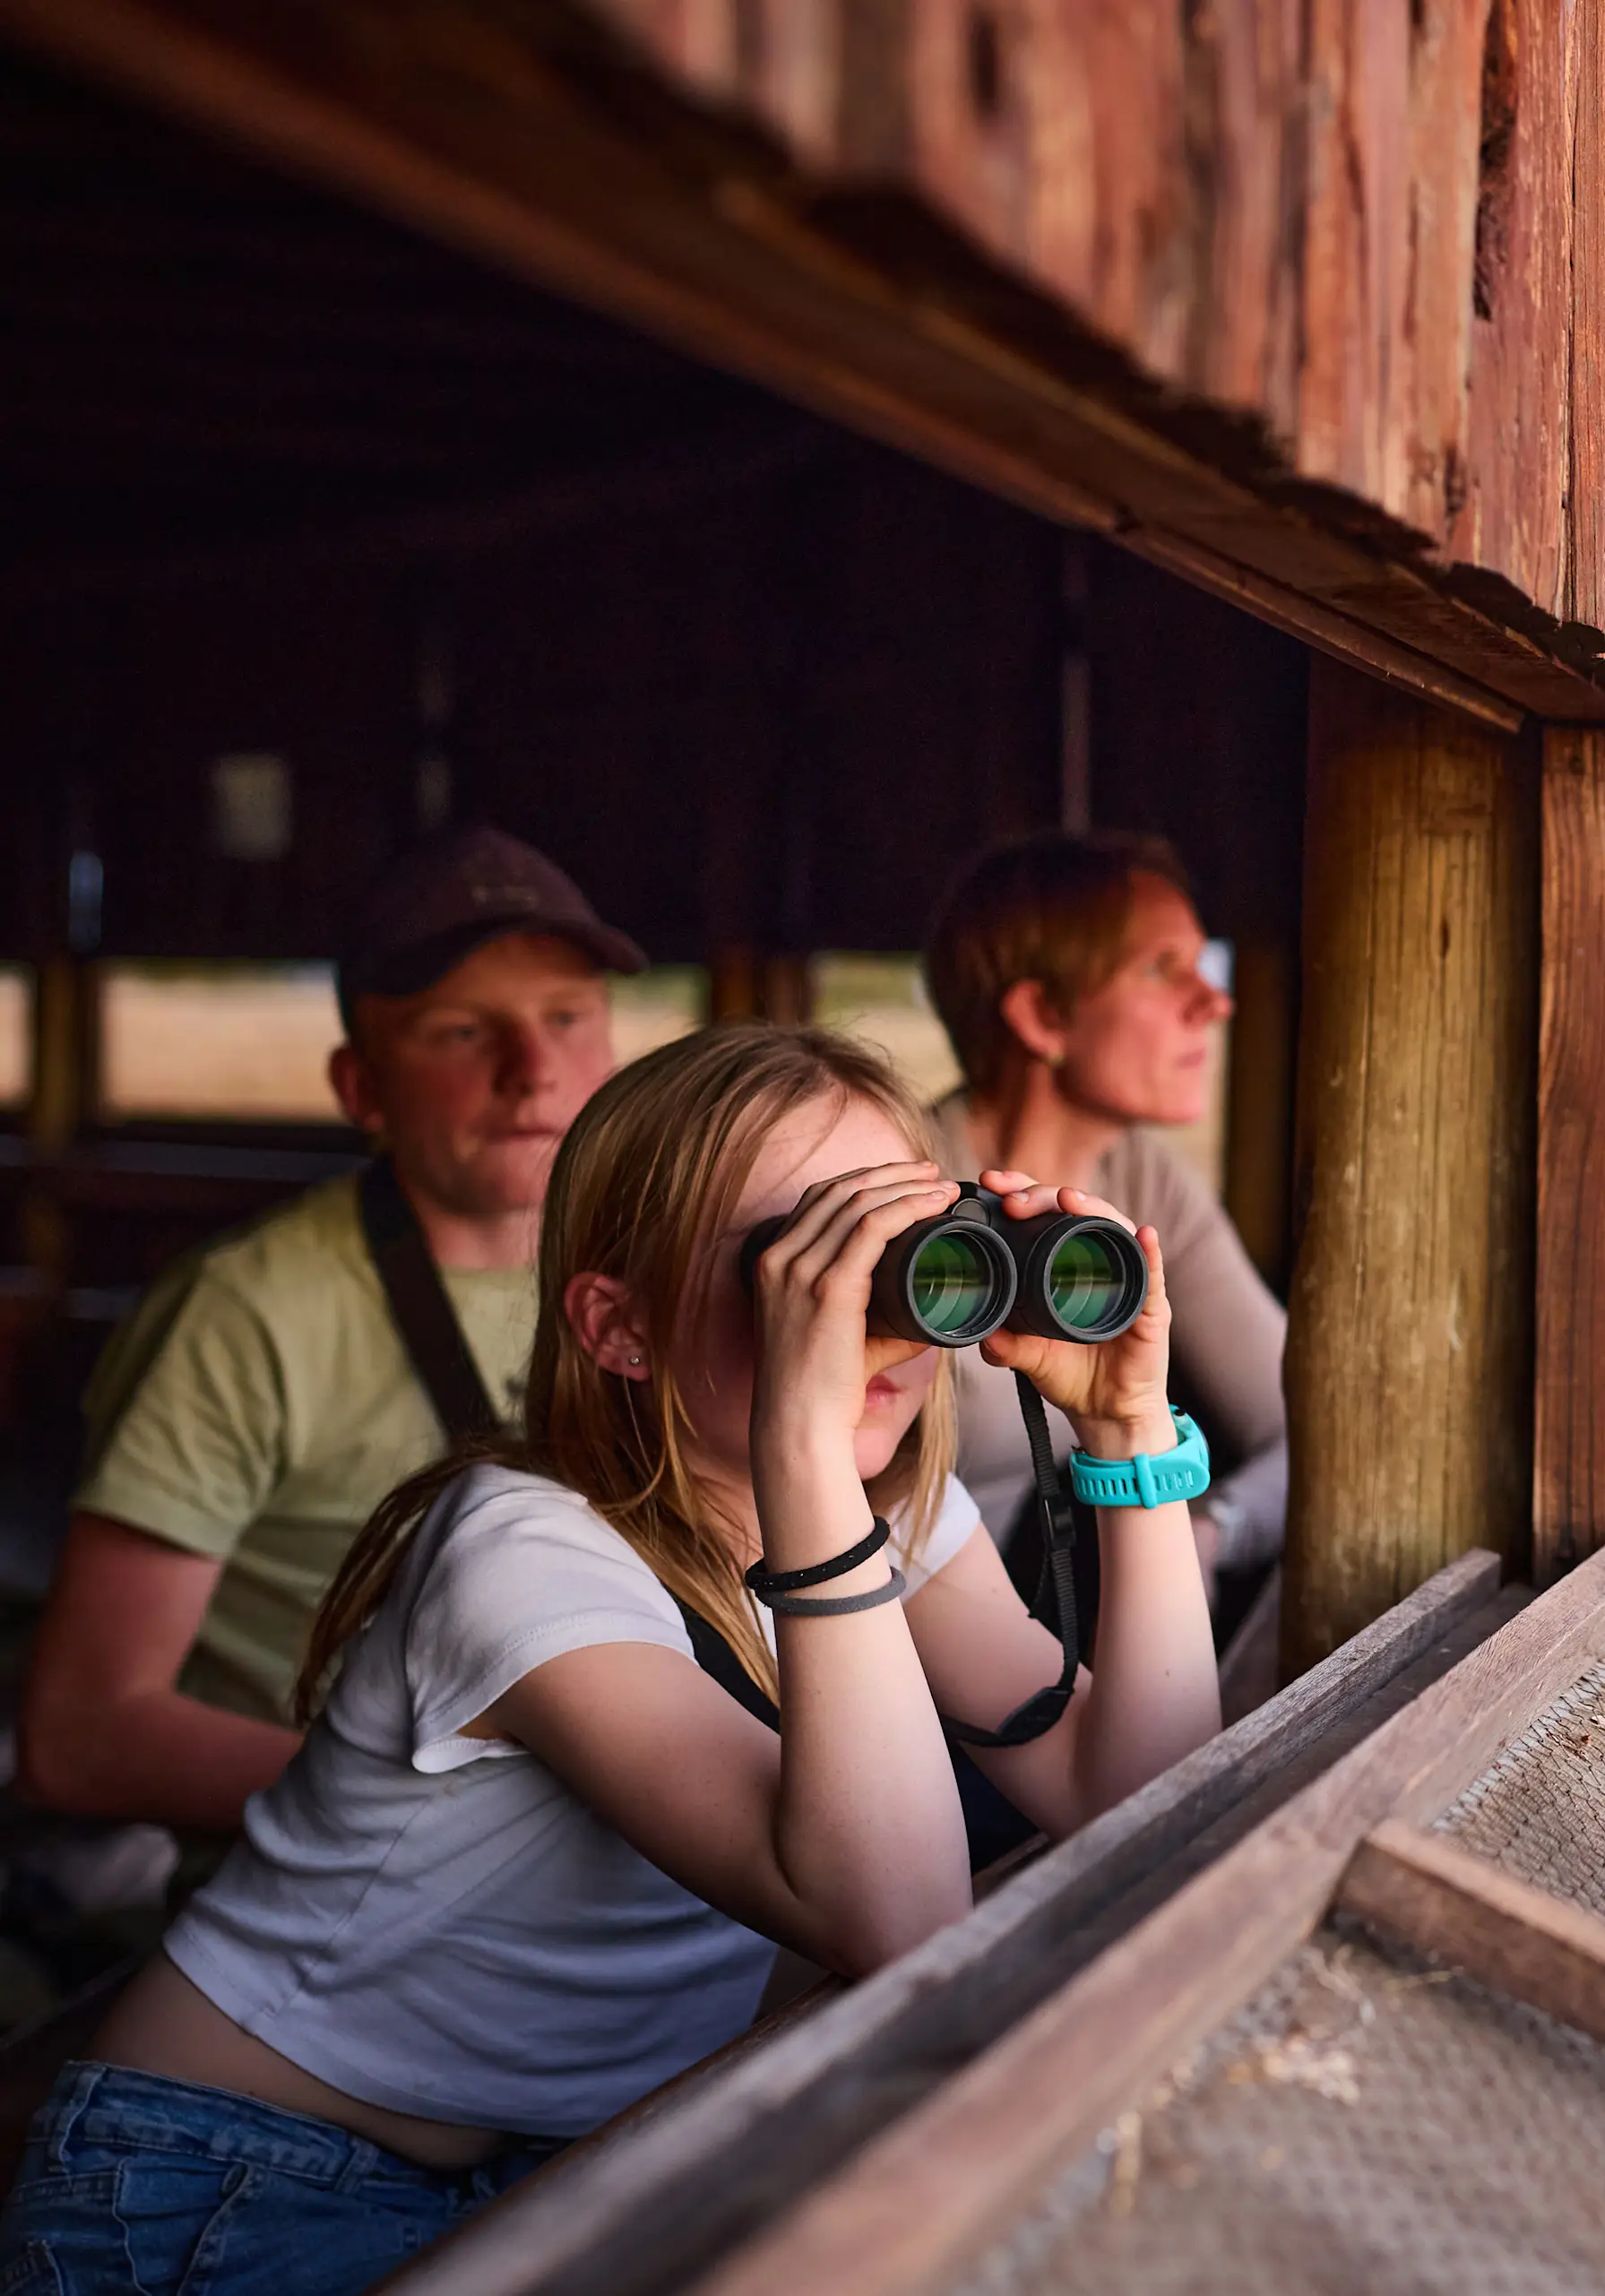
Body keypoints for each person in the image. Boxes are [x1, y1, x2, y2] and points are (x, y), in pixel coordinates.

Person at [0, 1024, 1222, 2294]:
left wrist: (1129, 1426)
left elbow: (1144, 1788)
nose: (858, 1303)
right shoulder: (519, 1552)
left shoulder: (887, 1516)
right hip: (221, 2181)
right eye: (803, 1256)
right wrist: (804, 1449)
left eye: (904, 1245)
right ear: (619, 1326)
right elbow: (902, 1919)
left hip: (564, 2160)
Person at [18, 828, 642, 1835]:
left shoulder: (655, 1271)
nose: (534, 1072)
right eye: (461, 1032)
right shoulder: (244, 1315)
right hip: (352, 1900)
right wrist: (455, 1820)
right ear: (360, 1089)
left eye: (567, 1017)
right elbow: (82, 1735)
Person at [919, 833, 1286, 1608]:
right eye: (1163, 969)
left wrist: (1209, 1532)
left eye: (1202, 963)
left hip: (1050, 1634)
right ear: (1043, 1016)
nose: (1216, 1002)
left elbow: (1304, 1424)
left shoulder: (1141, 1179)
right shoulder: (915, 1199)